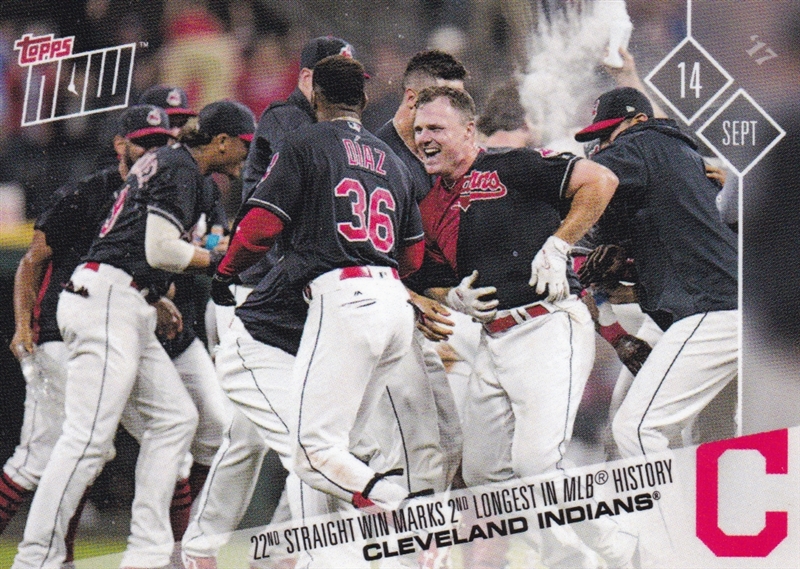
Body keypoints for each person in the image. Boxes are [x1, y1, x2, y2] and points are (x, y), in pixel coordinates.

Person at [11, 101, 255, 569]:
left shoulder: (168, 163)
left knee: (175, 419)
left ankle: (147, 554)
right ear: (222, 141)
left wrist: (155, 291)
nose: (248, 154)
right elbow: (161, 250)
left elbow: (136, 240)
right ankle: (35, 559)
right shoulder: (179, 167)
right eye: (244, 144)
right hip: (107, 301)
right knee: (85, 441)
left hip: (123, 297)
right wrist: (221, 258)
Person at [411, 86, 637, 568]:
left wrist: (559, 244)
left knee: (537, 465)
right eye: (419, 129)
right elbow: (427, 278)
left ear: (468, 130)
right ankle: (560, 554)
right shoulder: (429, 201)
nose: (424, 137)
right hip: (492, 339)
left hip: (547, 325)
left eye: (436, 128)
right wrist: (449, 296)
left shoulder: (512, 164)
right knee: (481, 474)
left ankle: (623, 551)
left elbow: (600, 180)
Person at [212, 54, 424, 516]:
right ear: (363, 99)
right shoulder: (392, 159)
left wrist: (226, 272)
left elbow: (260, 228)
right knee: (339, 456)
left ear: (316, 96)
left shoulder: (306, 142)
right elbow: (412, 257)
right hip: (394, 303)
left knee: (314, 454)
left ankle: (406, 508)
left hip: (345, 297)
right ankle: (342, 543)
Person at [2, 105, 174, 559]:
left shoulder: (157, 197)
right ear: (120, 144)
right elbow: (31, 260)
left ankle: (60, 557)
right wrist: (22, 324)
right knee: (47, 454)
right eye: (143, 143)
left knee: (100, 446)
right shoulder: (89, 191)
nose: (151, 152)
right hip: (58, 333)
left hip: (102, 329)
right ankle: (44, 557)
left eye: (160, 143)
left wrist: (156, 298)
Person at [574, 86, 739, 457]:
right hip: (715, 309)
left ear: (639, 121)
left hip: (711, 311)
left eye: (610, 134)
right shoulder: (680, 165)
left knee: (636, 429)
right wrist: (628, 280)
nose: (604, 146)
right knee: (698, 435)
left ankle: (669, 500)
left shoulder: (645, 143)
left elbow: (581, 180)